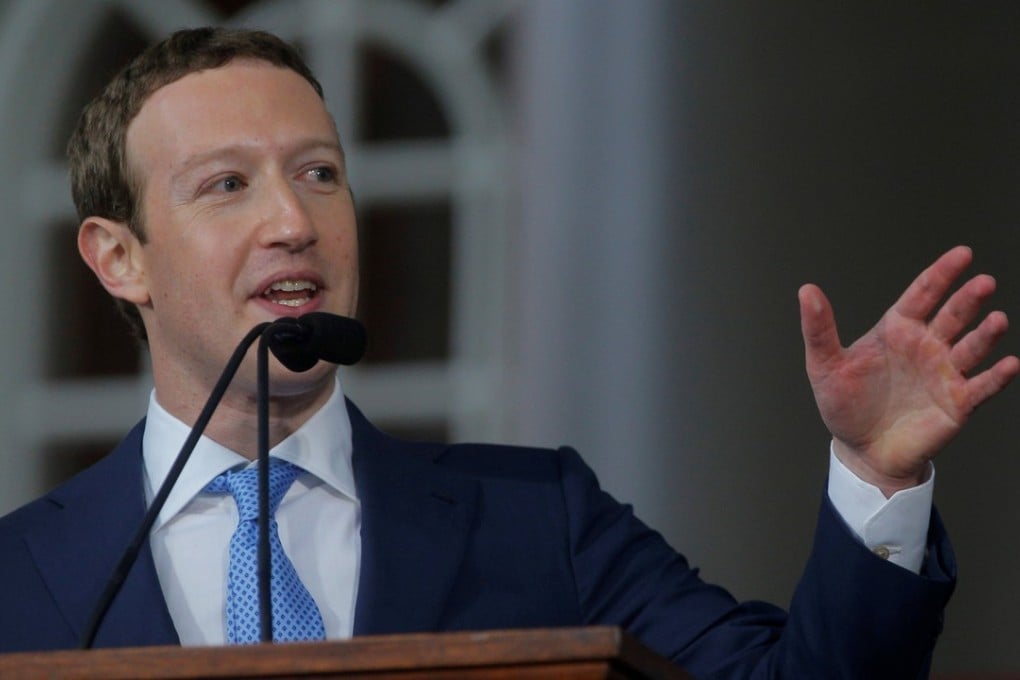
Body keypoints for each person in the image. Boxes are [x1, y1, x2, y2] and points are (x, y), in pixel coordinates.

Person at [0, 26, 1015, 679]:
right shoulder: (20, 577)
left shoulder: (542, 519)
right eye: (228, 185)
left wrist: (877, 476)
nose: (294, 222)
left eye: (319, 174)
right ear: (119, 257)